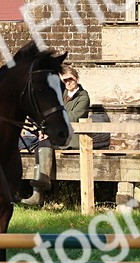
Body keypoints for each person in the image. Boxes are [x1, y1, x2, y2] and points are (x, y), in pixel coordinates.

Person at [22, 65, 90, 207]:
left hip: (74, 137)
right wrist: (43, 129)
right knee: (37, 143)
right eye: (65, 81)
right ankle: (37, 193)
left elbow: (73, 116)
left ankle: (42, 185)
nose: (68, 83)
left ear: (76, 78)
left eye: (70, 79)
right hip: (58, 135)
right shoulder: (61, 95)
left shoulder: (83, 97)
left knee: (44, 142)